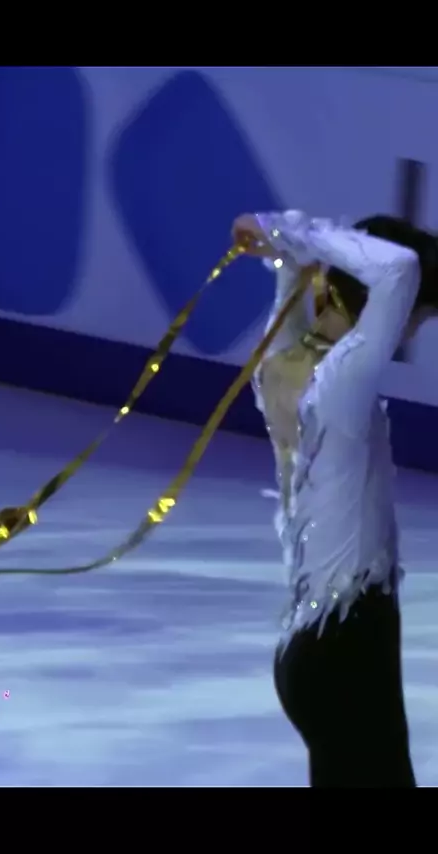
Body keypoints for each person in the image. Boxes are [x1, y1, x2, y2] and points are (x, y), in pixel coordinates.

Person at [231, 210, 438, 787]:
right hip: (350, 651)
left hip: (314, 650)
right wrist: (284, 230)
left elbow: (295, 271)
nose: (409, 331)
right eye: (415, 316)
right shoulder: (340, 383)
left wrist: (288, 246)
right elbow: (400, 267)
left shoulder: (282, 361)